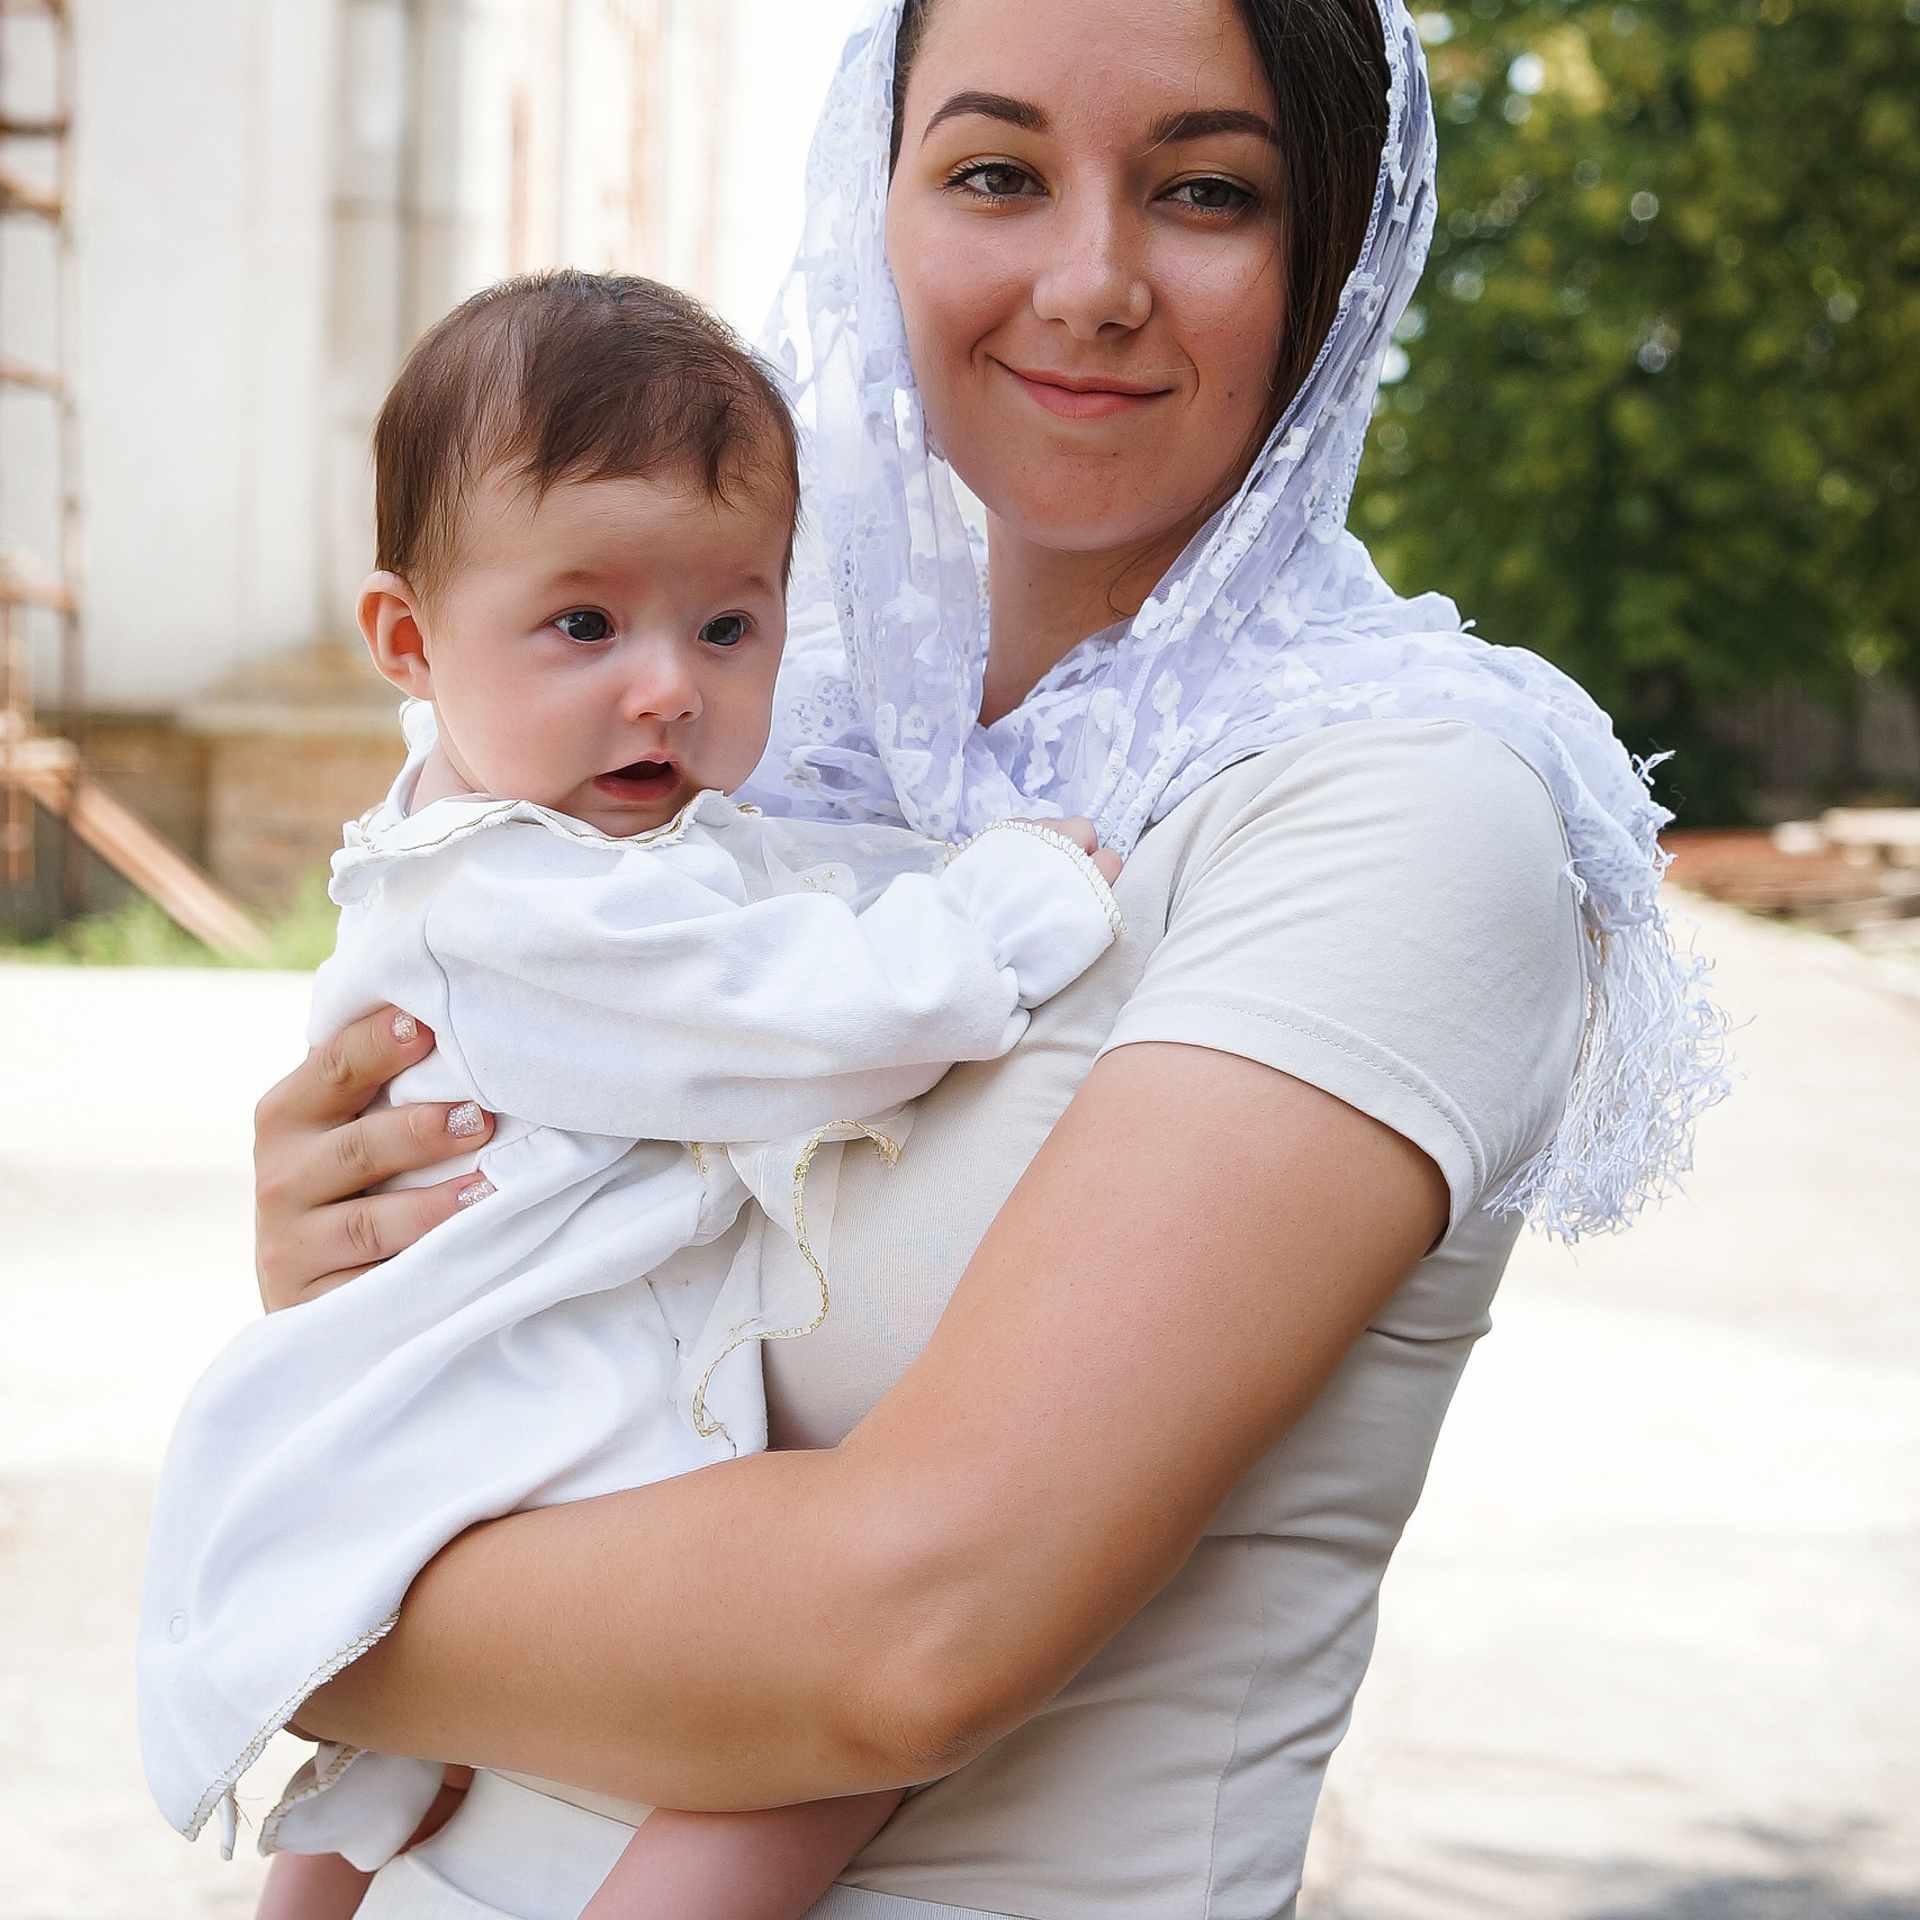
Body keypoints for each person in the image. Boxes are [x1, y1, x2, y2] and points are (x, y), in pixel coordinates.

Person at [249, 1, 1730, 1915]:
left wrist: (280, 1589)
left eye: (1205, 190)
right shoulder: (750, 727)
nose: (1092, 279)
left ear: (1335, 254)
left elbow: (907, 1637)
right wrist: (339, 1261)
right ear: (877, 205)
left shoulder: (1395, 805)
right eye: (996, 172)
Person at [136, 273, 1123, 1920]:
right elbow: (792, 1015)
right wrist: (1015, 901)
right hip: (517, 1394)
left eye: (726, 626)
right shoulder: (512, 898)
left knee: (403, 1755)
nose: (667, 684)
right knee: (818, 1739)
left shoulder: (572, 832)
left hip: (492, 1380)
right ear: (406, 638)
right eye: (586, 625)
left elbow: (784, 880)